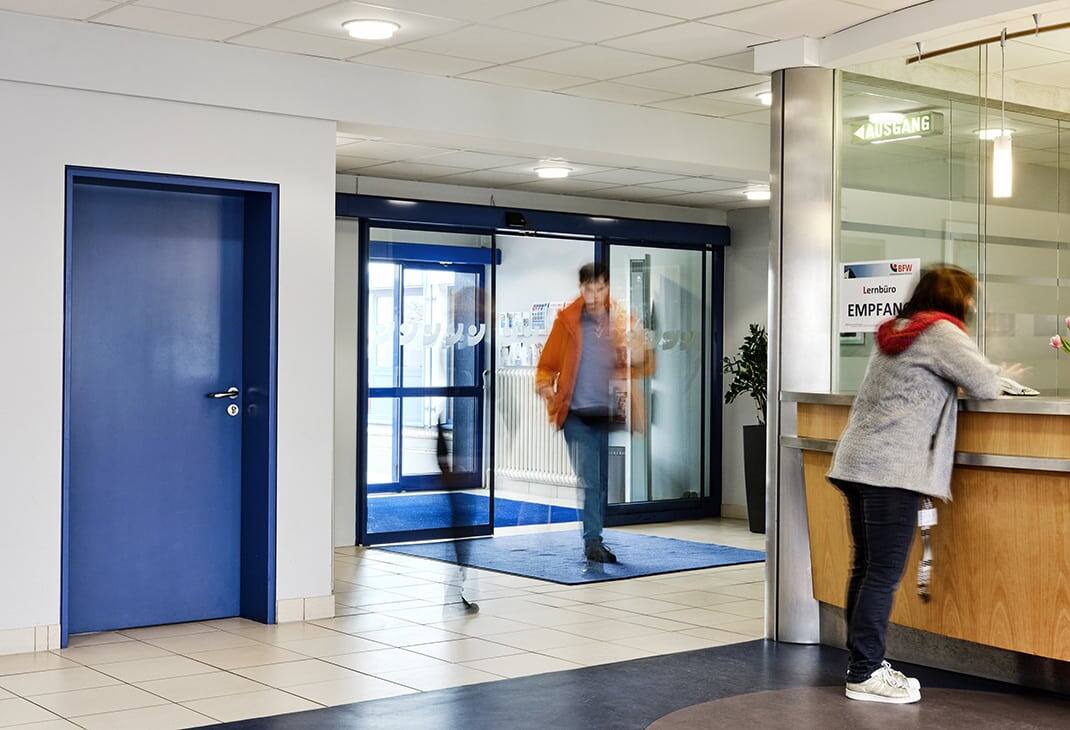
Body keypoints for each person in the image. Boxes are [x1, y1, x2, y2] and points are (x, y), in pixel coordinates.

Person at [827, 265, 1006, 704]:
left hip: (858, 462)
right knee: (883, 575)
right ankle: (865, 674)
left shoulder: (900, 329)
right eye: (971, 297)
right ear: (954, 300)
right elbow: (985, 385)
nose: (974, 305)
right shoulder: (941, 332)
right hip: (891, 469)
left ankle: (861, 665)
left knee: (866, 570)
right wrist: (999, 374)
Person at [535, 262, 653, 563]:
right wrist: (545, 385)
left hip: (606, 412)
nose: (595, 295)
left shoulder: (621, 321)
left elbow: (641, 365)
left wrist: (640, 354)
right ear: (581, 289)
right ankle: (592, 542)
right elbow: (547, 364)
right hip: (575, 413)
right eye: (589, 288)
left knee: (600, 482)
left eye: (600, 288)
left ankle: (595, 538)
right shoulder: (567, 322)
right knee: (589, 478)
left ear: (607, 287)